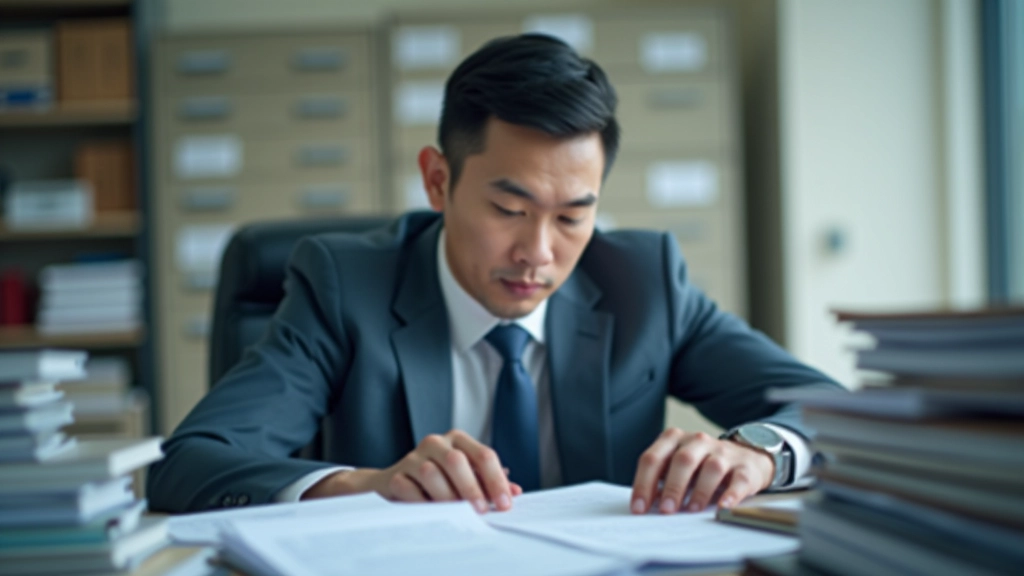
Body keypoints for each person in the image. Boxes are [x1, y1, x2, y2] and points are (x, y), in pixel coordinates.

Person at [147, 34, 841, 516]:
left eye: (573, 216)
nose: (539, 252)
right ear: (438, 180)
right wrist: (366, 485)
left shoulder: (643, 282)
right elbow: (191, 464)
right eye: (510, 208)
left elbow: (837, 415)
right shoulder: (343, 287)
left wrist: (759, 453)